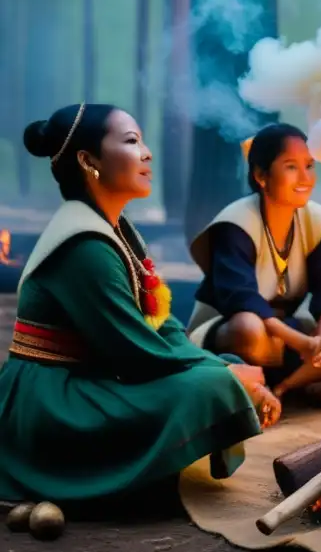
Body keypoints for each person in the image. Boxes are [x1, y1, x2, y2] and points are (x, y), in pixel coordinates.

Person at [0, 103, 275, 506]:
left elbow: (158, 323)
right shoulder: (84, 245)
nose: (147, 153)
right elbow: (134, 353)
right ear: (88, 160)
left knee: (224, 367)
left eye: (144, 141)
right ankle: (109, 475)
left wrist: (225, 367)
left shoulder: (116, 229)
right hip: (52, 400)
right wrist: (228, 376)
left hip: (90, 377)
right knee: (214, 383)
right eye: (131, 142)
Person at [187, 123, 321, 409]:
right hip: (233, 335)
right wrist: (302, 342)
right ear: (261, 176)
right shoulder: (236, 222)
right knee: (249, 327)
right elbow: (241, 299)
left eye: (310, 166)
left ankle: (286, 387)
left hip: (289, 337)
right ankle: (267, 385)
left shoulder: (319, 220)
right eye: (291, 167)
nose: (305, 177)